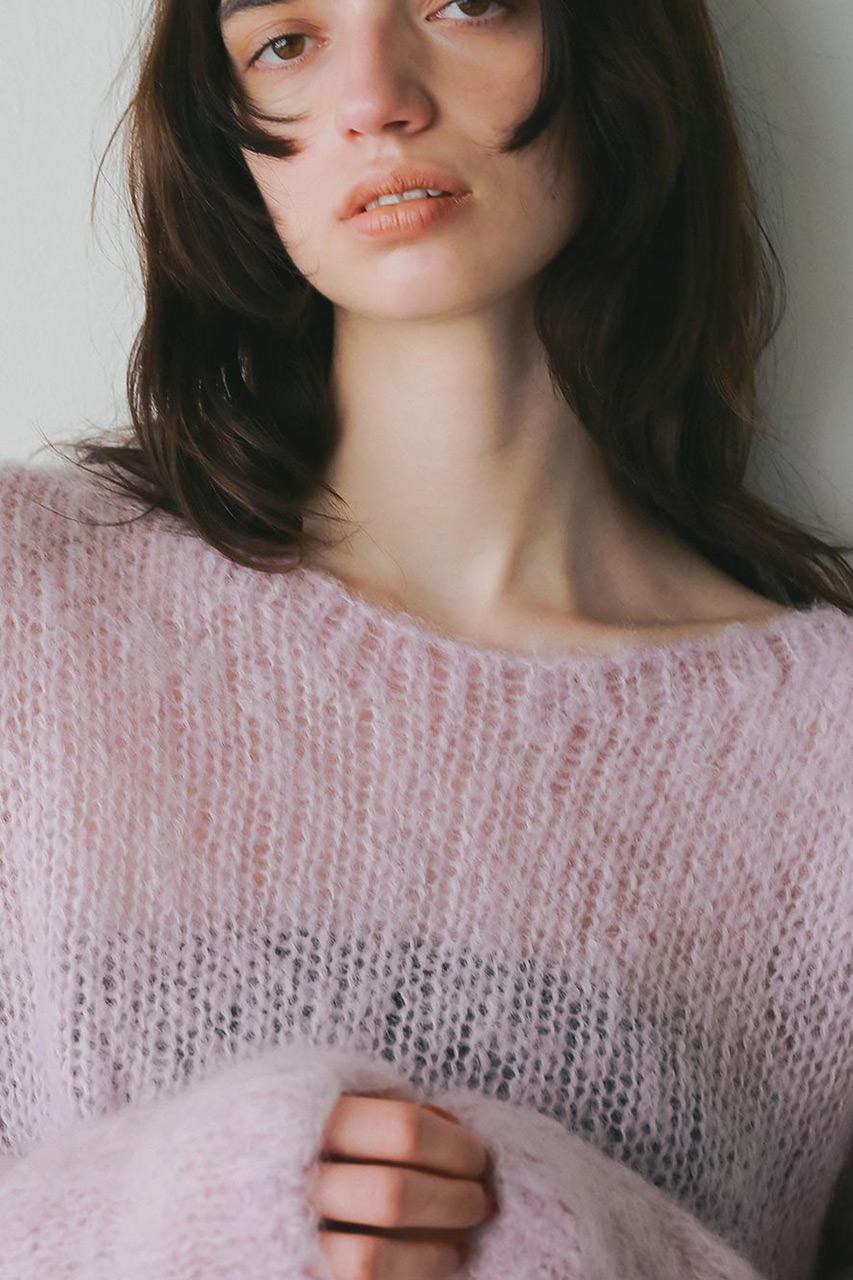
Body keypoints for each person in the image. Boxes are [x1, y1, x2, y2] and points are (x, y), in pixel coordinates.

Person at [1, 0, 852, 1277]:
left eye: (462, 1)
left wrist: (552, 1227)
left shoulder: (825, 753)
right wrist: (195, 1195)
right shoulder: (33, 601)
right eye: (287, 41)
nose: (374, 99)